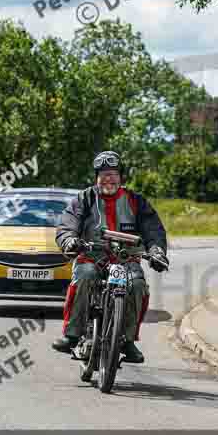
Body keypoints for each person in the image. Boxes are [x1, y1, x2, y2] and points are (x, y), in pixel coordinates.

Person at [52, 151, 169, 363]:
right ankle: (72, 335)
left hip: (126, 259)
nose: (109, 178)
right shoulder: (84, 199)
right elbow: (67, 225)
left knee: (138, 285)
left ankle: (127, 340)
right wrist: (69, 240)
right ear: (96, 177)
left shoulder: (136, 201)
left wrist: (157, 251)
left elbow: (153, 230)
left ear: (121, 177)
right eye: (104, 174)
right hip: (91, 257)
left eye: (114, 174)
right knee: (84, 276)